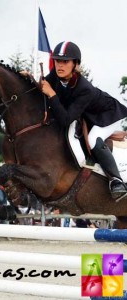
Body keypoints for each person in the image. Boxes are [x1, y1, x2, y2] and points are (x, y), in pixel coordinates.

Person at [41, 41, 127, 200]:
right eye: (57, 61)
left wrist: (51, 94)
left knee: (94, 138)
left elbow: (66, 119)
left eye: (65, 61)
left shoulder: (84, 88)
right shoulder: (56, 74)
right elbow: (42, 87)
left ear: (75, 64)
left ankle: (116, 181)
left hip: (107, 113)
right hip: (86, 114)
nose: (60, 65)